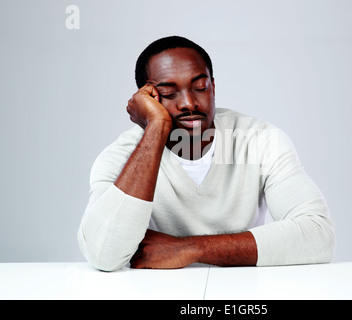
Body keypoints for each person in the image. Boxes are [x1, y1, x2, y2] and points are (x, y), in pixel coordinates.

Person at [78, 36, 335, 272]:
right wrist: (155, 128)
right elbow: (104, 254)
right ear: (147, 100)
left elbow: (318, 234)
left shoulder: (260, 140)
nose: (189, 103)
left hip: (246, 294)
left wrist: (188, 249)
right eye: (168, 93)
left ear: (213, 87)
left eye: (200, 87)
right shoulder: (121, 158)